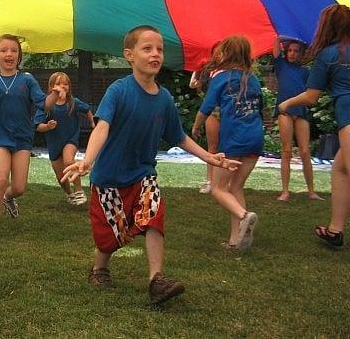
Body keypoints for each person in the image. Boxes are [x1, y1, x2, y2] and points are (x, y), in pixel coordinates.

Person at [62, 26, 239, 305]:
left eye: (159, 49)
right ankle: (100, 268)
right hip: (109, 178)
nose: (155, 54)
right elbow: (102, 127)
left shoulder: (165, 98)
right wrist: (87, 160)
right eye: (147, 48)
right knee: (111, 237)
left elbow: (178, 136)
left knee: (154, 215)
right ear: (129, 55)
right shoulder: (118, 91)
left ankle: (156, 280)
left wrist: (209, 157)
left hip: (143, 173)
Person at [0, 34, 61, 241]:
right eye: (4, 50)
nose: (9, 54)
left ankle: (8, 198)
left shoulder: (27, 80)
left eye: (14, 51)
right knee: (0, 179)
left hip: (22, 139)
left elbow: (45, 104)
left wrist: (54, 94)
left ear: (19, 56)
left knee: (19, 187)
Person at [279, 4, 350, 248]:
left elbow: (311, 97)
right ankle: (335, 231)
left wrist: (287, 102)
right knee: (340, 170)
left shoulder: (329, 54)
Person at [192, 35, 263, 251]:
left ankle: (244, 216)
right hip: (255, 139)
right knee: (235, 187)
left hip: (234, 140)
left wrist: (196, 127)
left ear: (227, 53)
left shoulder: (221, 78)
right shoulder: (253, 79)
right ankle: (236, 240)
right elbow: (261, 107)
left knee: (218, 188)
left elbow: (206, 107)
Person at [34, 72, 95, 205]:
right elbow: (38, 126)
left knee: (68, 161)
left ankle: (79, 191)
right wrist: (48, 126)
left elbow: (87, 110)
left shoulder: (73, 102)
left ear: (69, 87)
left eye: (65, 84)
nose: (62, 86)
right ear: (51, 87)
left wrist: (92, 122)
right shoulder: (46, 105)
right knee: (61, 176)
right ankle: (70, 194)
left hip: (70, 139)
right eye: (58, 83)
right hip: (54, 142)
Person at [272, 36, 321, 201]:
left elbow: (310, 93)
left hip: (300, 111)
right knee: (286, 151)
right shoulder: (281, 65)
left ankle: (311, 191)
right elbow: (276, 41)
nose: (292, 54)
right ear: (286, 52)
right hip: (284, 112)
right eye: (290, 50)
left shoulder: (305, 71)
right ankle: (285, 191)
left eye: (296, 51)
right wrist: (289, 36)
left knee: (305, 151)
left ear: (301, 54)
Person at [189, 42, 222, 194]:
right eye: (216, 52)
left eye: (222, 51)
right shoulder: (207, 69)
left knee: (228, 147)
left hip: (228, 110)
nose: (219, 54)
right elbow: (193, 84)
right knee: (213, 147)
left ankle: (224, 181)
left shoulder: (232, 70)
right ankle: (210, 180)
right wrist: (196, 69)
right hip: (212, 110)